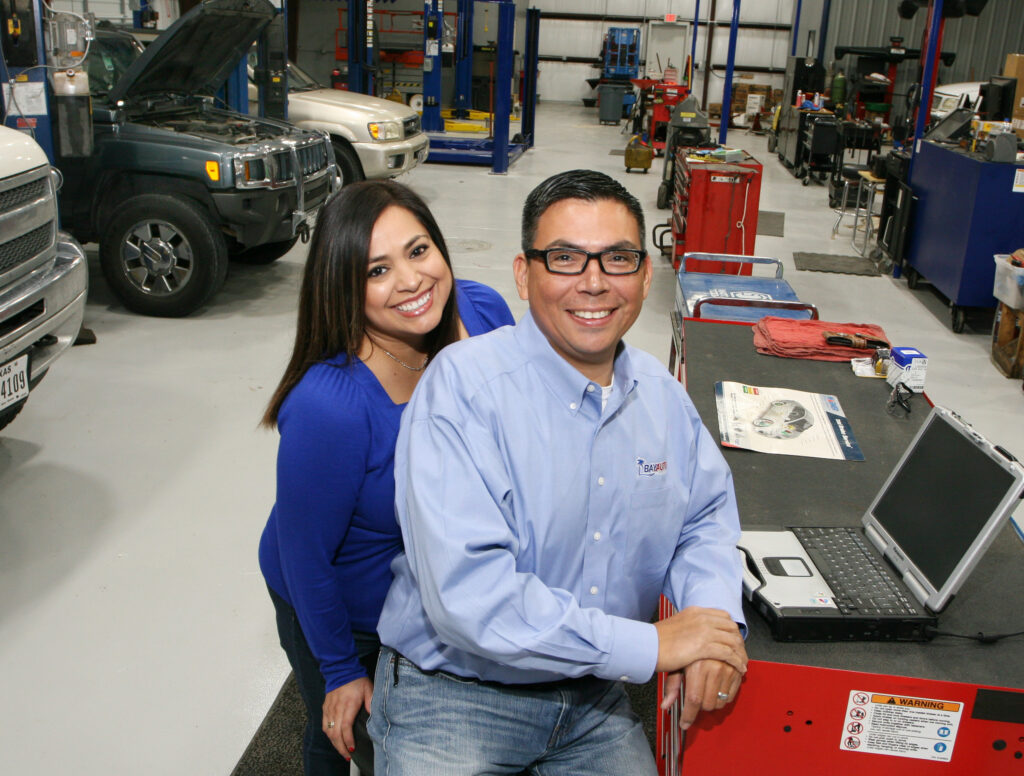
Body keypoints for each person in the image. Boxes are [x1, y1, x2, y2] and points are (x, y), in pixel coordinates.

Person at [369, 170, 747, 775]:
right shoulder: (462, 389)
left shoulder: (661, 397)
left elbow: (703, 519)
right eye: (566, 258)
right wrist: (652, 646)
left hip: (595, 700)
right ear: (524, 274)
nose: (593, 283)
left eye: (617, 259)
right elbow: (469, 595)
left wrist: (713, 628)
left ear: (646, 276)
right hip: (455, 696)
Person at [258, 180, 514, 776]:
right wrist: (342, 669)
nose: (411, 280)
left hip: (431, 589)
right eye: (377, 269)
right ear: (344, 286)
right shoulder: (331, 405)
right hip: (348, 608)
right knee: (349, 732)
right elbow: (305, 557)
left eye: (418, 250)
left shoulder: (483, 312)